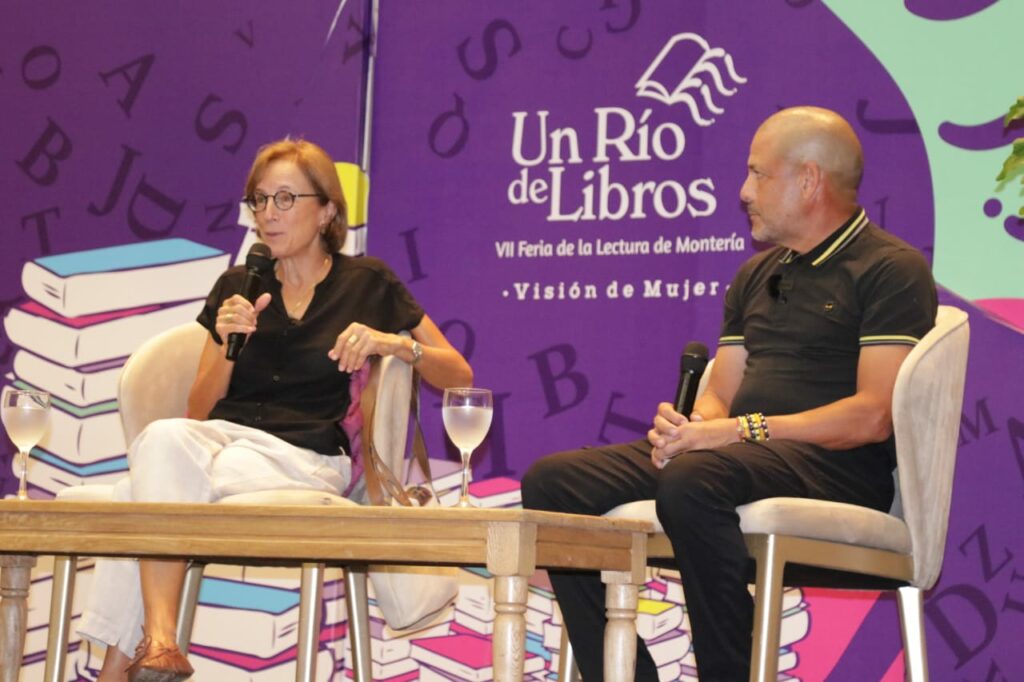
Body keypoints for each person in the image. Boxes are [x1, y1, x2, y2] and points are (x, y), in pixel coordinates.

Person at [521, 106, 937, 682]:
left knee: (693, 480)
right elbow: (722, 390)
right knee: (553, 482)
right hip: (741, 458)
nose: (744, 192)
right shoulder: (754, 275)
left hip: (839, 467)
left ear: (809, 179)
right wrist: (698, 428)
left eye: (758, 174)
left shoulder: (890, 268)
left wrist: (738, 431)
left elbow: (871, 417)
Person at [78, 139, 473, 682]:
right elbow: (196, 412)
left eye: (285, 198)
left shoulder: (367, 282)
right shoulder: (238, 286)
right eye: (258, 200)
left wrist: (393, 344)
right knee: (164, 440)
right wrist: (225, 340)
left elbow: (459, 373)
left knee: (141, 490)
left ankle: (121, 665)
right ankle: (162, 640)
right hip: (224, 444)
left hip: (308, 457)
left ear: (327, 209)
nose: (268, 214)